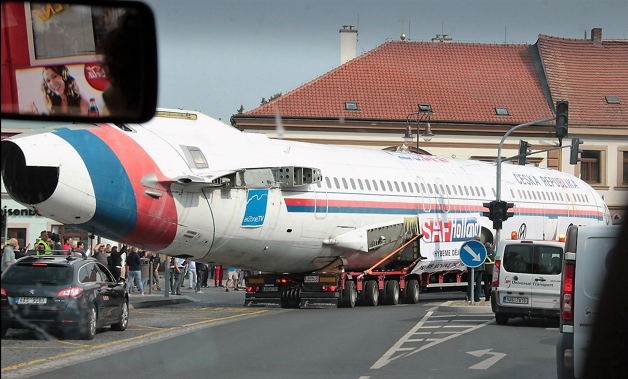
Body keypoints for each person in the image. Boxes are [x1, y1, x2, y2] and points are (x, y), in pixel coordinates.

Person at [466, 236, 484, 303]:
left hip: (474, 268)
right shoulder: (481, 247)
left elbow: (468, 258)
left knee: (471, 283)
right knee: (478, 284)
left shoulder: (473, 247)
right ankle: (477, 298)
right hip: (480, 268)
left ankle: (469, 296)